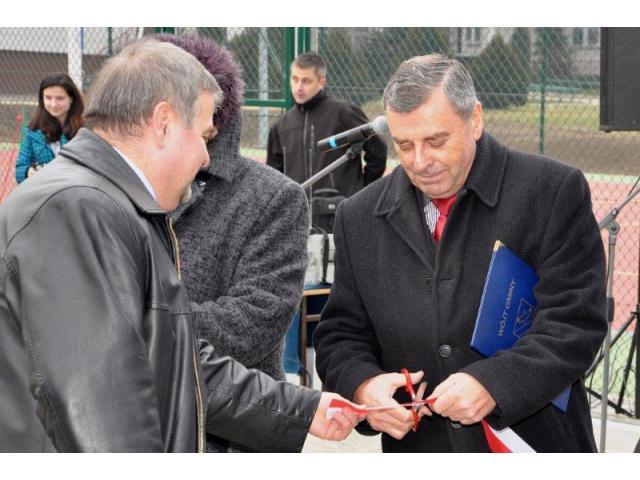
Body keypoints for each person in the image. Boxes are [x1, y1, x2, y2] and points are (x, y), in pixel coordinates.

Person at [0, 38, 363, 453]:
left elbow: (165, 354)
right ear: (164, 122)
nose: (206, 157)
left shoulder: (101, 201)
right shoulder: (78, 208)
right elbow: (101, 414)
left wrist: (302, 408)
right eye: (204, 135)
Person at [313, 54, 608, 452]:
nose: (420, 162)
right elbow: (340, 335)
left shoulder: (551, 191)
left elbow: (576, 322)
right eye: (404, 145)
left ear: (476, 120)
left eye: (436, 141)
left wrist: (494, 384)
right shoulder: (359, 216)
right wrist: (365, 386)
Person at [158, 34, 310, 452]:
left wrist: (137, 328)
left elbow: (252, 322)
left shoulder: (272, 198)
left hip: (231, 435)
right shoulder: (112, 194)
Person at [267, 51, 387, 199]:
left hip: (339, 208)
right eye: (295, 79)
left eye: (306, 81)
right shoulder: (281, 126)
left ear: (321, 82)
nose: (299, 87)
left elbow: (378, 151)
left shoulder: (344, 113)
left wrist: (361, 193)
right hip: (299, 209)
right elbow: (273, 174)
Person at [15, 73, 84, 183]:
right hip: (45, 189)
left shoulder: (86, 129)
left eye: (60, 98)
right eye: (48, 98)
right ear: (42, 98)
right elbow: (20, 168)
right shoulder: (32, 131)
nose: (53, 104)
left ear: (71, 98)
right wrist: (28, 171)